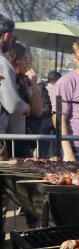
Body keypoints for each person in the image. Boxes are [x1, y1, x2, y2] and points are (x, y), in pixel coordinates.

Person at [5, 42, 43, 157]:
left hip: (20, 142)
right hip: (4, 142)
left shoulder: (23, 83)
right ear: (15, 59)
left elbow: (37, 112)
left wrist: (34, 85)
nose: (28, 62)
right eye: (25, 58)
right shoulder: (4, 82)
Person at [0, 14, 30, 158]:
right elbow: (11, 104)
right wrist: (25, 107)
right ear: (6, 36)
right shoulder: (3, 63)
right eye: (11, 38)